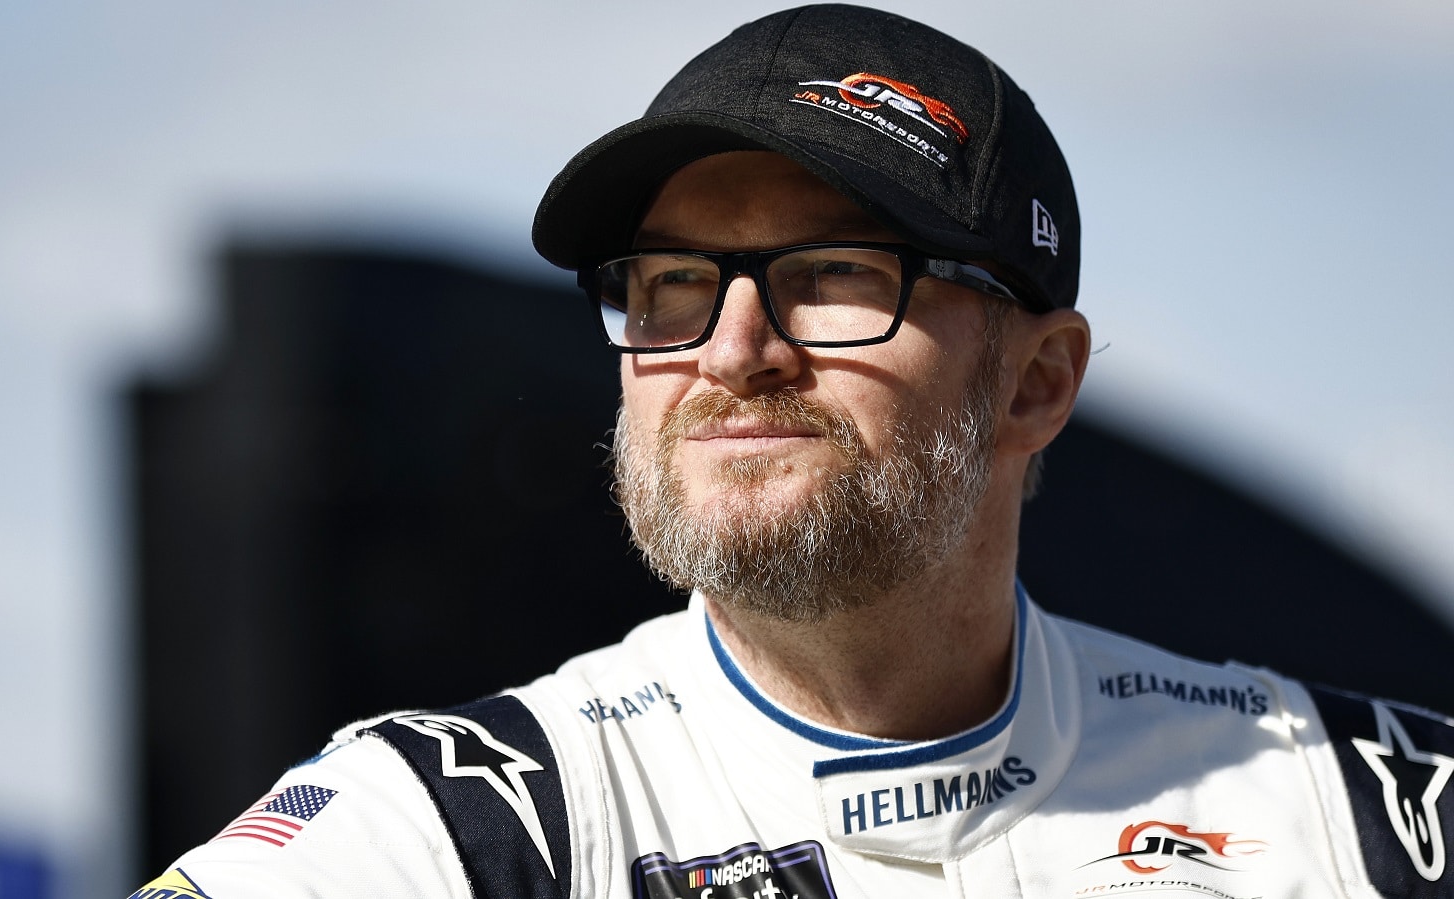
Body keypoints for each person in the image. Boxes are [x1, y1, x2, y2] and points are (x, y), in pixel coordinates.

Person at [131, 5, 1454, 898]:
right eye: (669, 282)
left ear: (1039, 384)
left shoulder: (1349, 814)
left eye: (831, 274)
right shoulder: (454, 828)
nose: (730, 349)